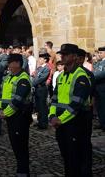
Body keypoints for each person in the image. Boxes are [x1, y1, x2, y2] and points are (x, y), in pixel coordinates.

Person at [49, 44, 92, 176]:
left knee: (76, 157)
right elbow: (54, 99)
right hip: (61, 123)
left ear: (74, 57)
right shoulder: (62, 76)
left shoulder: (81, 76)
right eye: (62, 54)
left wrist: (60, 119)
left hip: (75, 123)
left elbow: (76, 104)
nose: (62, 57)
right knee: (66, 156)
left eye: (66, 54)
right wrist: (52, 116)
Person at [0, 54, 33, 176]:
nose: (8, 65)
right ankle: (20, 169)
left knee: (21, 146)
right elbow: (1, 95)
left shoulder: (23, 79)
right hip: (10, 117)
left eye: (10, 63)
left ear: (17, 63)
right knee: (15, 144)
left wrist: (5, 113)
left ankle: (23, 171)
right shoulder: (8, 77)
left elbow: (18, 100)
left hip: (20, 117)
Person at [32, 52, 51, 130]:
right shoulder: (39, 68)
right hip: (37, 88)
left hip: (42, 88)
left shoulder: (46, 68)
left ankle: (43, 123)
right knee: (38, 106)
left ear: (45, 60)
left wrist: (32, 83)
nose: (39, 60)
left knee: (43, 106)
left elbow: (41, 79)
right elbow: (35, 76)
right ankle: (40, 121)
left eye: (40, 58)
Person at [93, 46, 105, 131]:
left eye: (101, 53)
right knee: (99, 106)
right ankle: (101, 122)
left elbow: (102, 74)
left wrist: (91, 77)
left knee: (103, 106)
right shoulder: (99, 62)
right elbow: (95, 71)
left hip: (103, 87)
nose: (99, 54)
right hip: (97, 87)